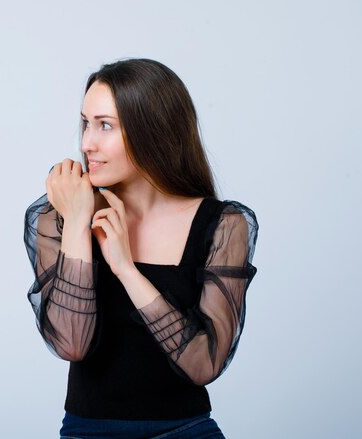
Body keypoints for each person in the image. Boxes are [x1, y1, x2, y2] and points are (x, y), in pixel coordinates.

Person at [24, 59, 258, 438]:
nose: (87, 144)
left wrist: (126, 269)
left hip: (187, 430)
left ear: (153, 130)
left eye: (105, 126)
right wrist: (78, 223)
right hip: (89, 431)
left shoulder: (223, 225)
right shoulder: (60, 218)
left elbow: (204, 364)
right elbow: (71, 343)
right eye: (85, 123)